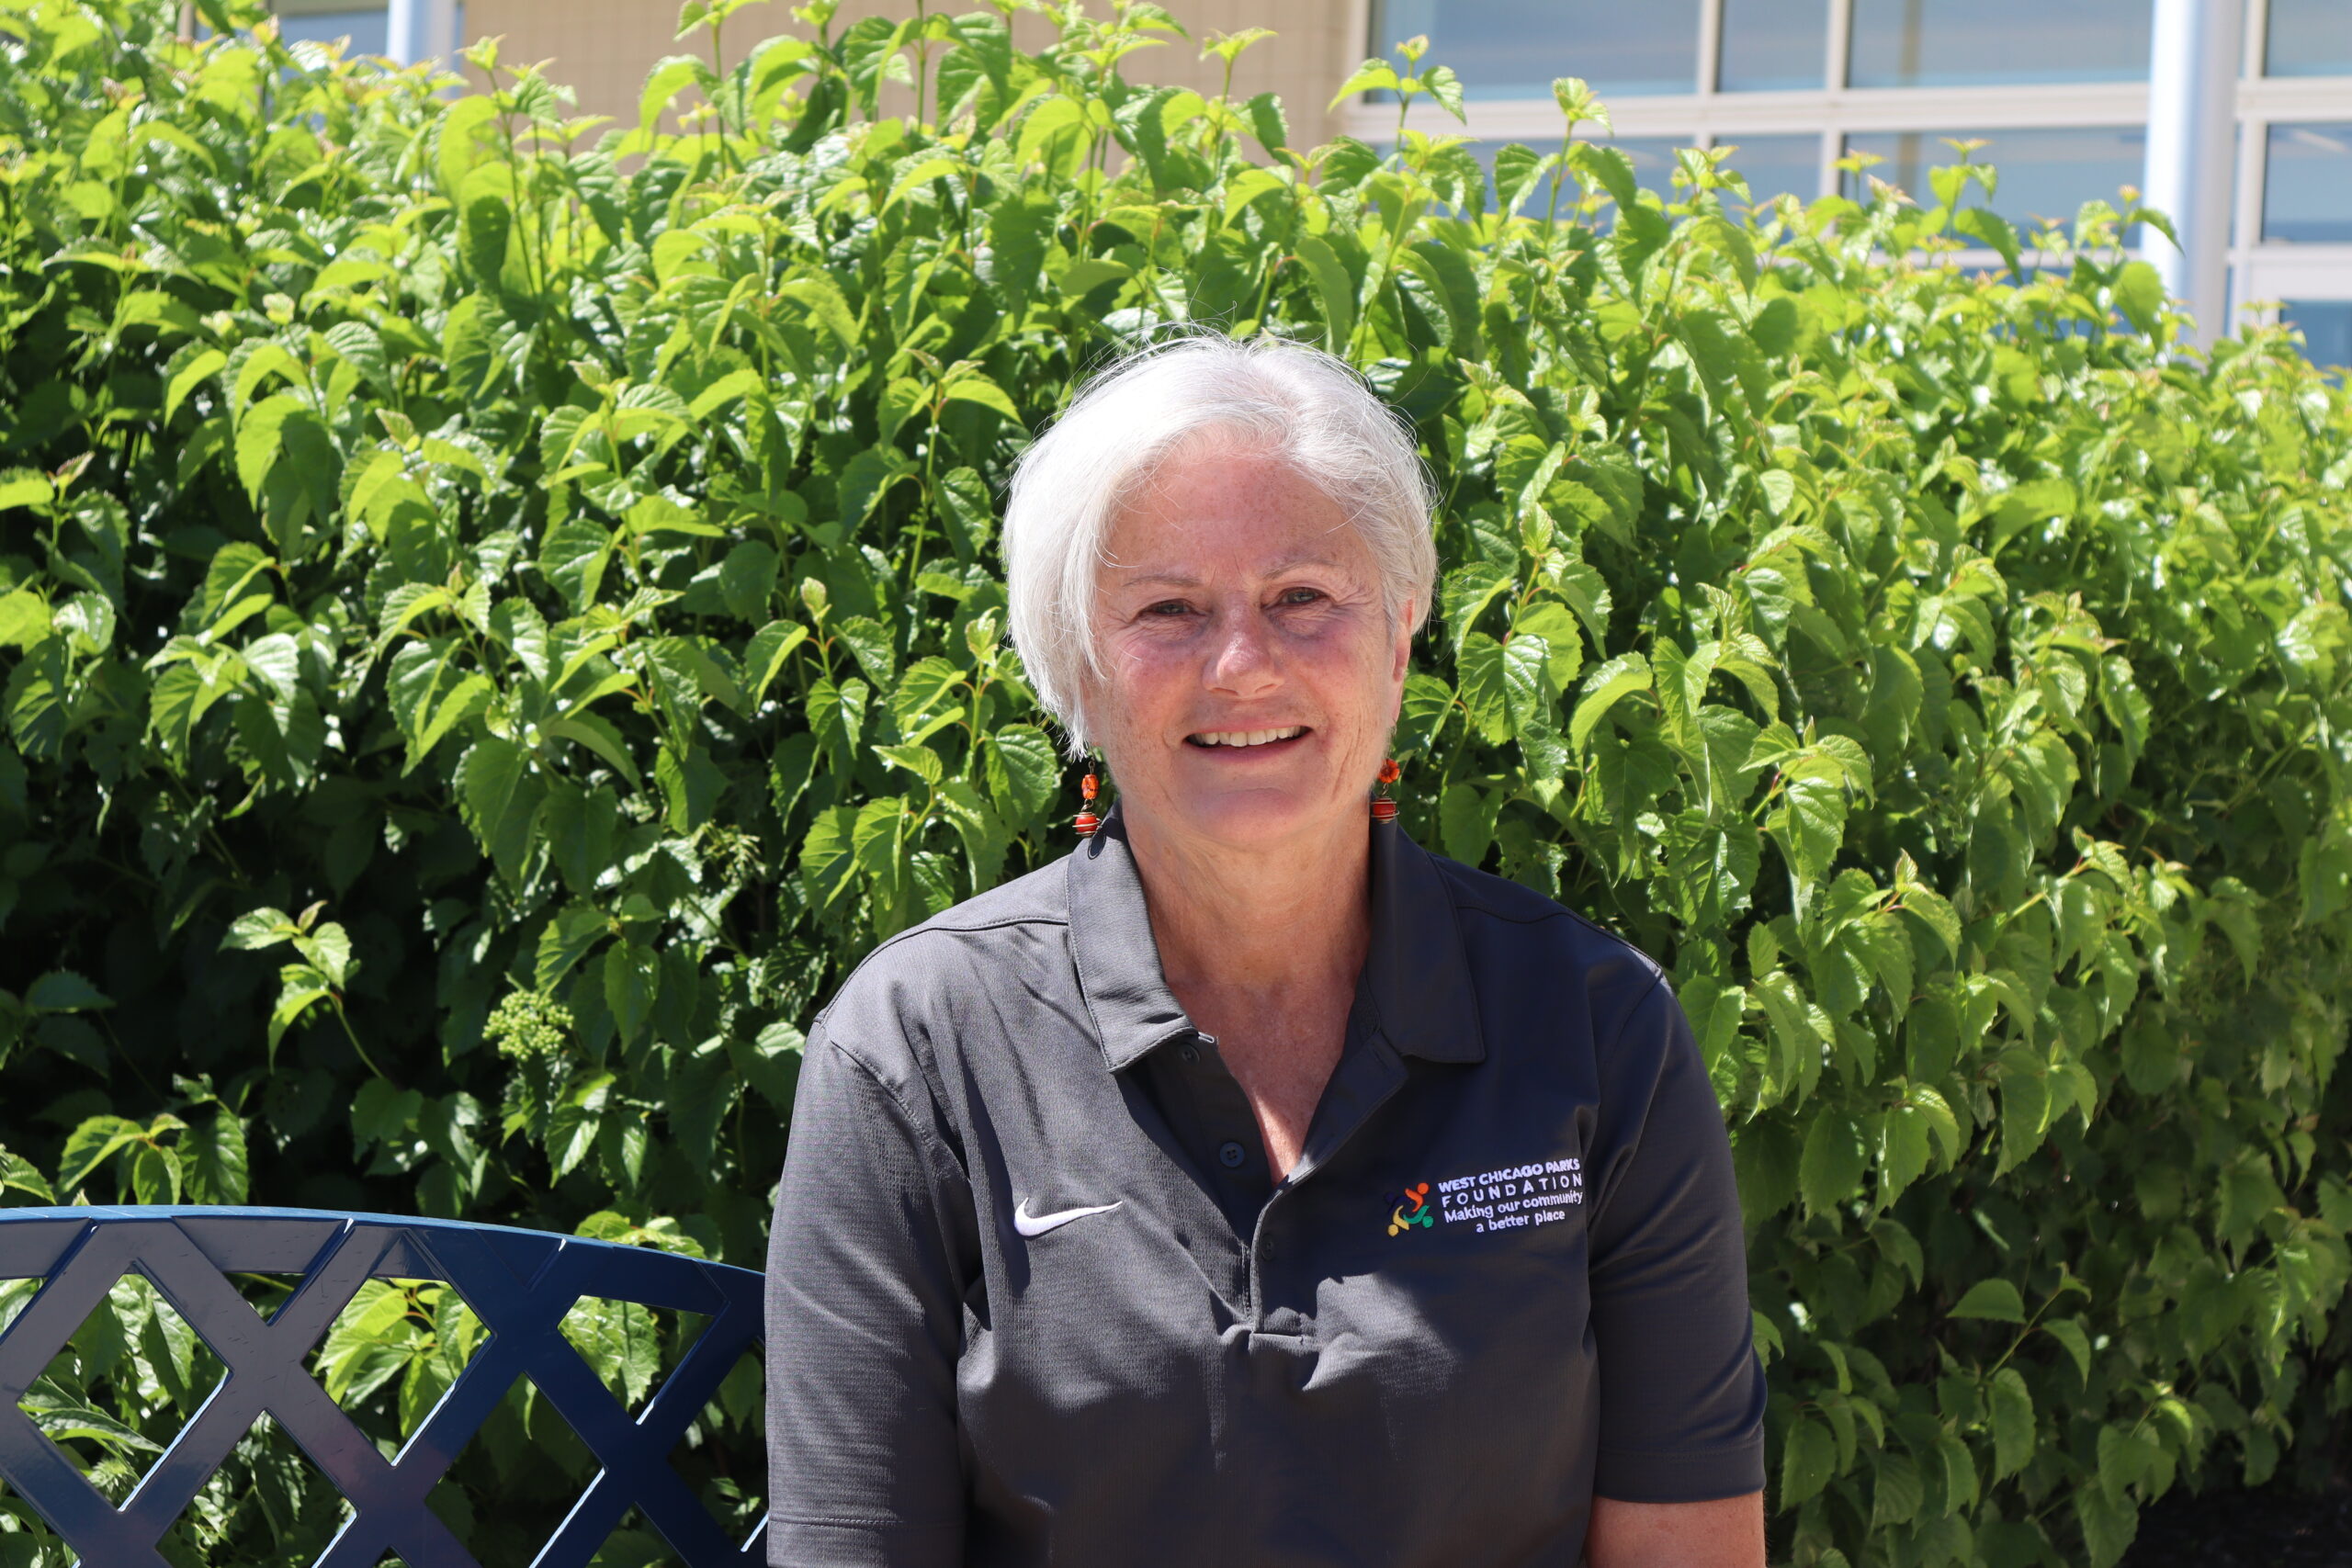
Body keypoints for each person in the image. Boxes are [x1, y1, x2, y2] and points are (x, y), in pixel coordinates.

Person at [763, 334, 1767, 1567]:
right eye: (1169, 610)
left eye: (1303, 597)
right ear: (1076, 661)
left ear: (1402, 631)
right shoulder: (918, 1053)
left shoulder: (1599, 1030)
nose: (1241, 665)